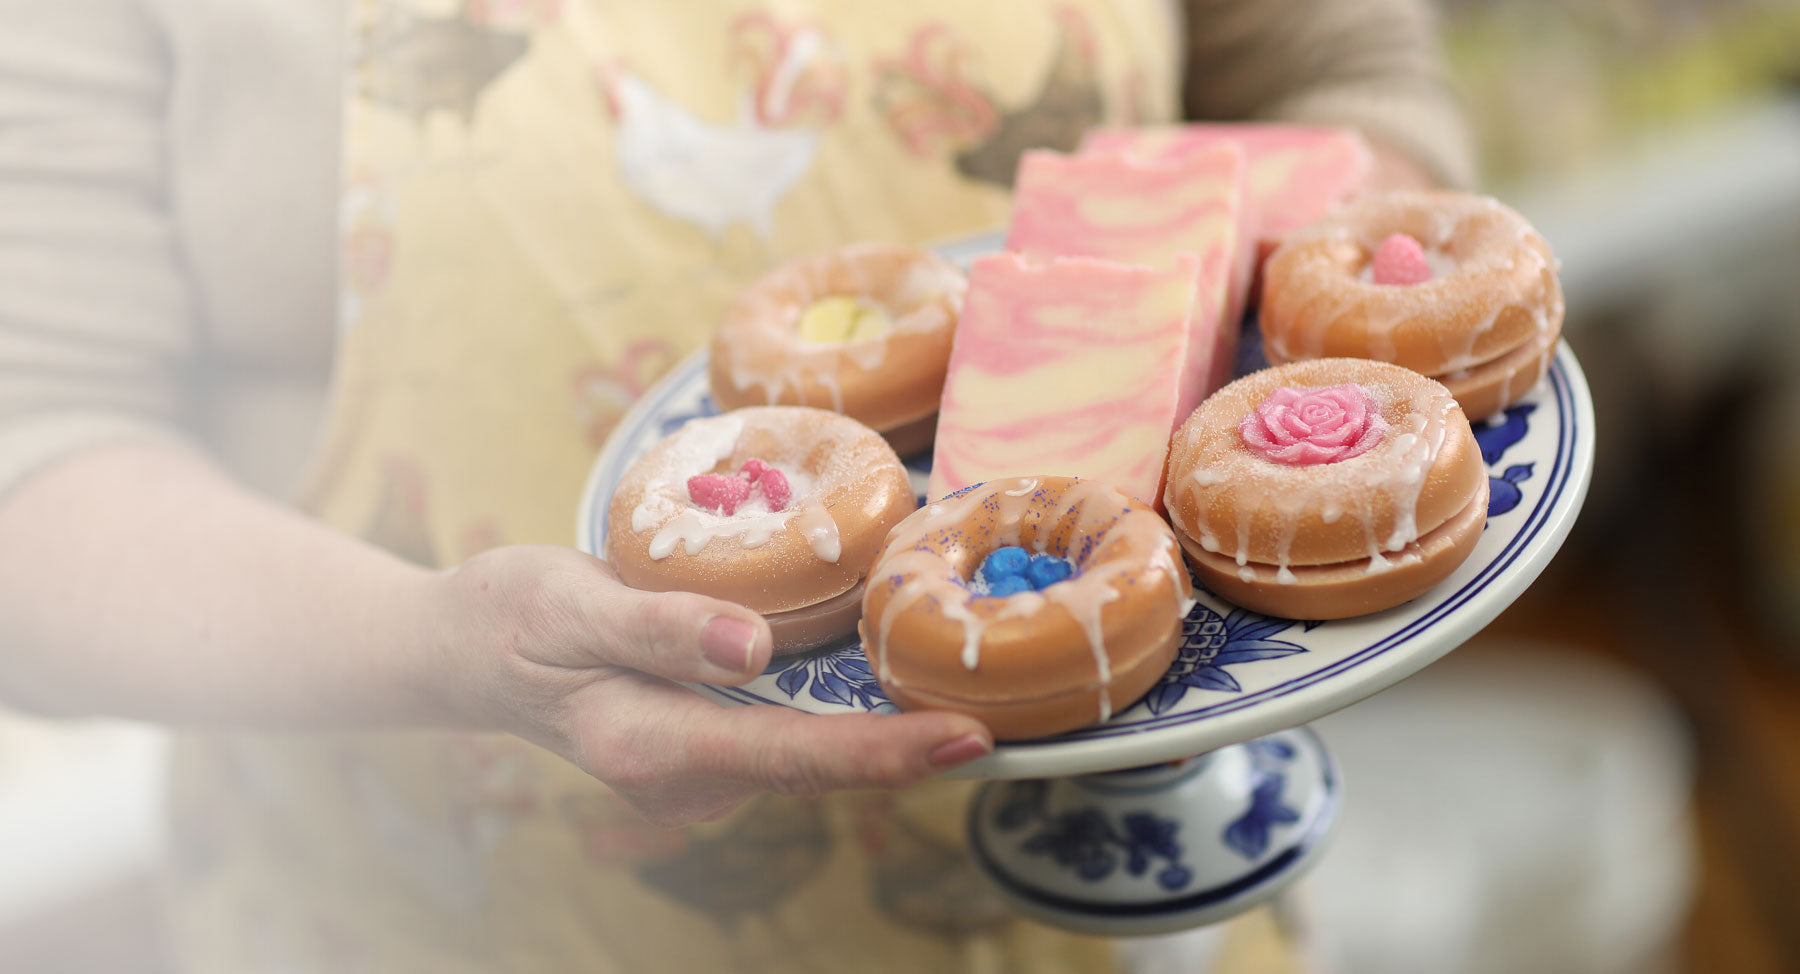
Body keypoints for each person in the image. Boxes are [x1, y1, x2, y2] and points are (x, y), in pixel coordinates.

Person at [0, 0, 1471, 970]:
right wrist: (445, 646)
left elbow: (1333, 79)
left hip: (1144, 879)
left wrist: (1326, 385)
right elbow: (33, 476)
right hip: (462, 905)